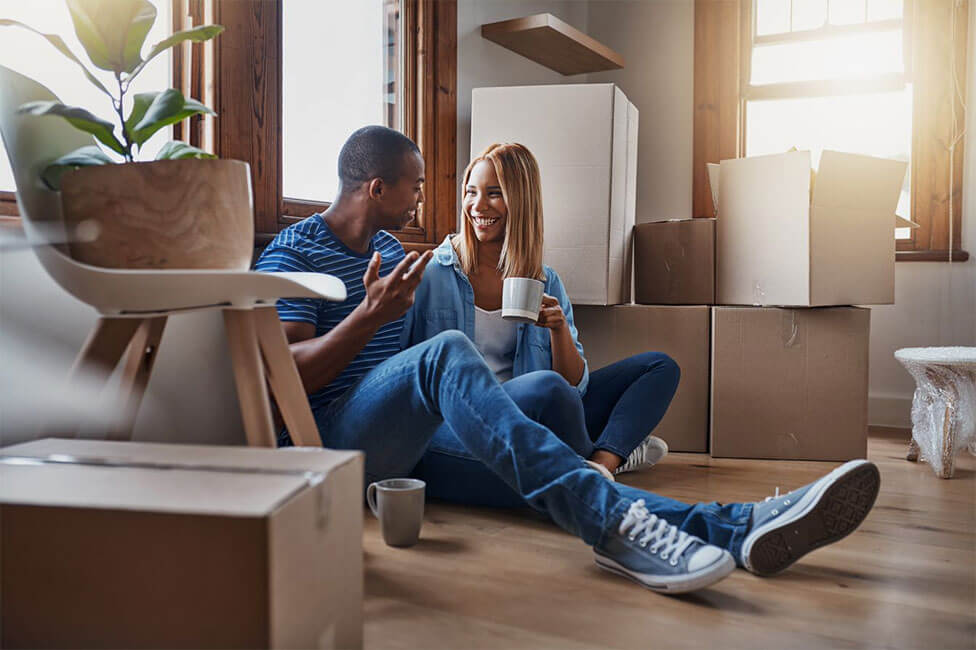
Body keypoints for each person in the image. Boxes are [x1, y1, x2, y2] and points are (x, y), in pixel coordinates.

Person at [255, 125, 881, 594]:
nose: (425, 199)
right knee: (449, 354)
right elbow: (287, 373)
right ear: (378, 187)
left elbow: (556, 374)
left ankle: (737, 526)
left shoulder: (393, 253)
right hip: (330, 440)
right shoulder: (293, 251)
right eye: (416, 186)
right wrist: (369, 316)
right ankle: (630, 520)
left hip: (412, 450)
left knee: (554, 477)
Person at [404, 143, 672, 509]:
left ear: (522, 200)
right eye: (471, 192)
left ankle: (600, 464)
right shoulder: (433, 272)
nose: (478, 206)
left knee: (659, 367)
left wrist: (559, 330)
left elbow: (575, 387)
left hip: (540, 411)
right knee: (548, 388)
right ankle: (609, 454)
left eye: (494, 194)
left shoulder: (545, 280)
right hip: (474, 414)